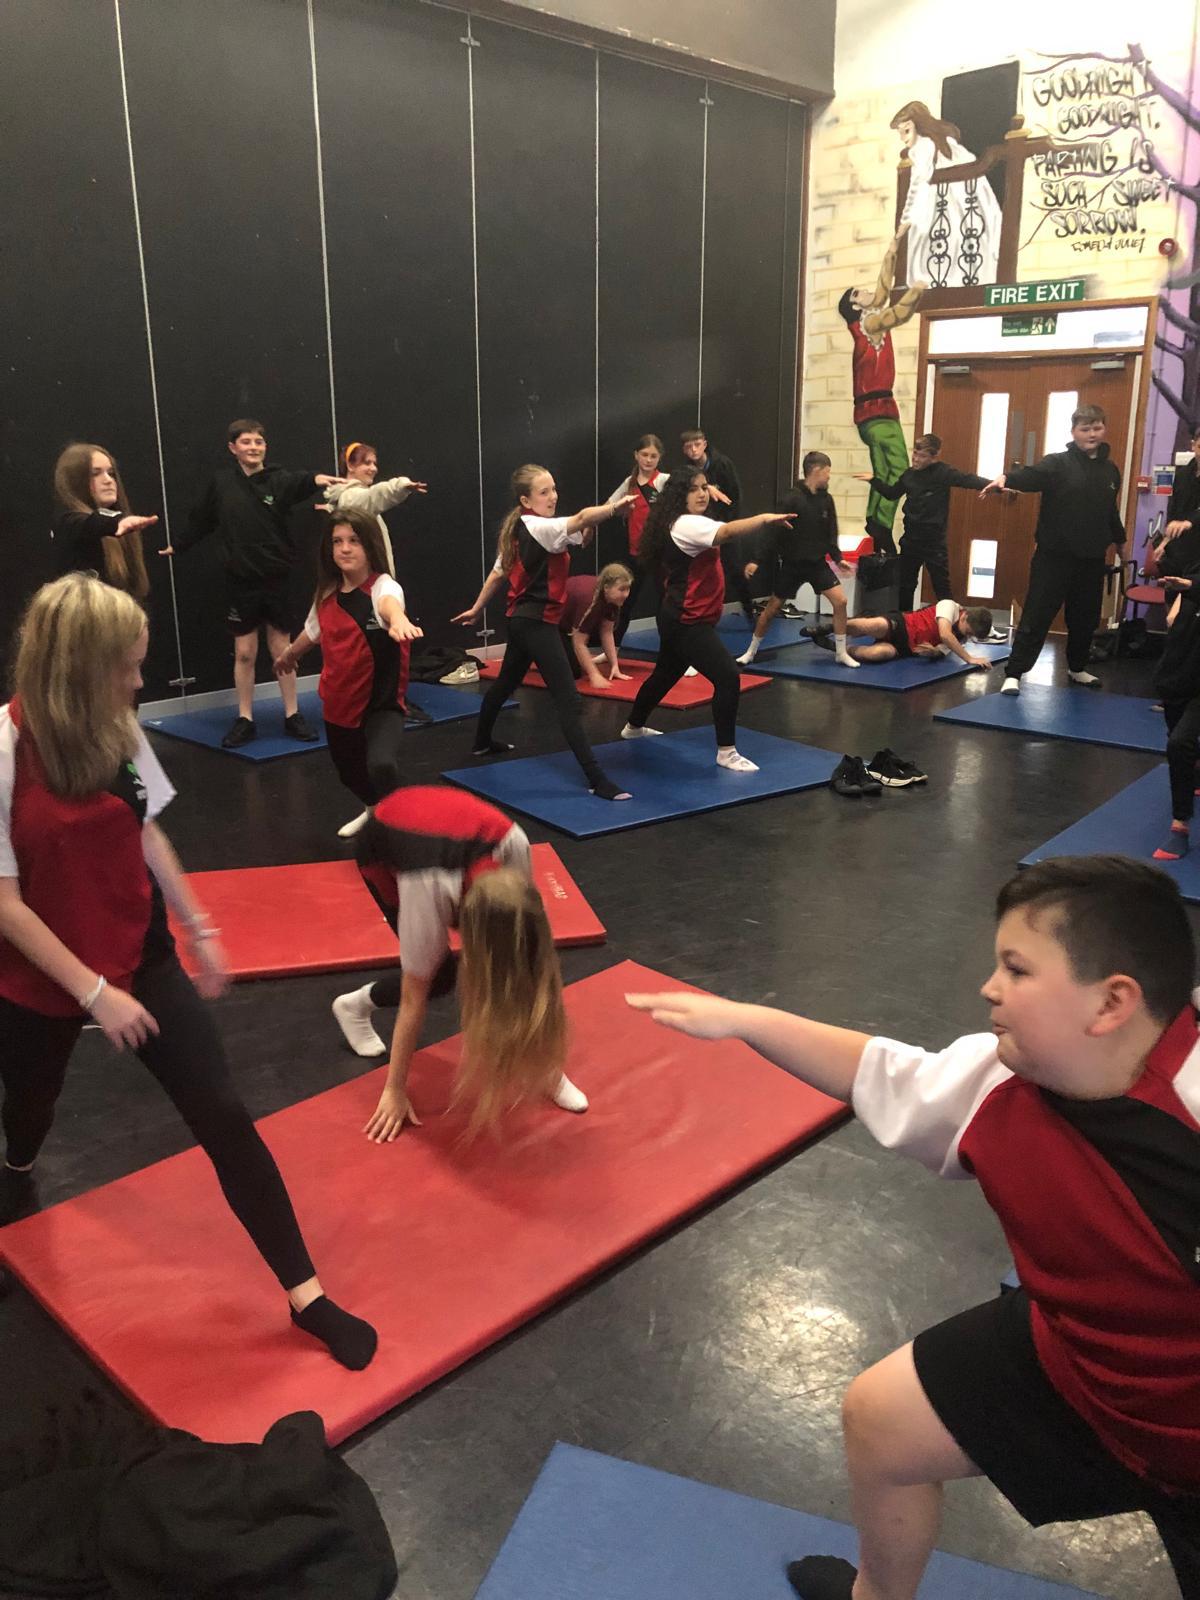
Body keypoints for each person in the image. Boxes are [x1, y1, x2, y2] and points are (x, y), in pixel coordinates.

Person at [627, 855, 1200, 1600]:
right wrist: (749, 1021)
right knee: (882, 1423)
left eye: (1017, 970)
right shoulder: (1002, 1082)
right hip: (1084, 1364)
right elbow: (884, 1073)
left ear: (1112, 1002)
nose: (989, 987)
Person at [0, 574, 375, 1370]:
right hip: (41, 977)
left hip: (139, 953)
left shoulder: (116, 728)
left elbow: (147, 832)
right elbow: (4, 906)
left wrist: (198, 928)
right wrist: (94, 995)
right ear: (80, 669)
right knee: (30, 1107)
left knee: (223, 1113)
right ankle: (17, 1165)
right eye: (128, 667)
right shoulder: (4, 747)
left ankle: (305, 1293)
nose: (140, 682)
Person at [331, 785, 588, 1138]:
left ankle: (546, 1069)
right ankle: (354, 1006)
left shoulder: (514, 846)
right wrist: (394, 1089)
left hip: (447, 834)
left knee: (522, 959)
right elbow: (412, 996)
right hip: (387, 848)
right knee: (436, 977)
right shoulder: (426, 886)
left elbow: (526, 942)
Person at [452, 464, 636, 802]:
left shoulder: (523, 528)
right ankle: (597, 780)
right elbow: (581, 518)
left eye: (553, 489)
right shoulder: (538, 526)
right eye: (544, 492)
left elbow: (498, 573)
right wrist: (613, 509)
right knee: (569, 700)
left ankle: (481, 743)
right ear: (526, 500)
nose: (553, 496)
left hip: (523, 622)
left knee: (505, 684)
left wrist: (477, 608)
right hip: (535, 623)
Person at [171, 419, 344, 748]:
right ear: (233, 448)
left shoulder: (278, 480)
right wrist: (178, 546)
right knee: (245, 653)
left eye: (258, 442)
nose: (253, 447)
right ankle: (245, 719)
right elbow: (202, 520)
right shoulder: (222, 484)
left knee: (283, 650)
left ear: (265, 447)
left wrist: (319, 479)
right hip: (240, 582)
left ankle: (292, 714)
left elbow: (302, 481)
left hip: (277, 579)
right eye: (246, 442)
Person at [619, 468, 793, 772]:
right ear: (679, 496)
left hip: (679, 615)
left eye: (704, 488)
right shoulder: (686, 524)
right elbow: (726, 532)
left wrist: (705, 488)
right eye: (694, 489)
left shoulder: (681, 520)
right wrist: (764, 519)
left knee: (665, 675)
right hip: (687, 620)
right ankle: (727, 752)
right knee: (728, 676)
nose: (702, 494)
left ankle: (633, 727)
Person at [273, 508, 422, 840]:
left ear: (370, 545)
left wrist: (399, 620)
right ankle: (372, 810)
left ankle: (400, 824)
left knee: (381, 764)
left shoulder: (383, 587)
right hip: (339, 703)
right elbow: (313, 631)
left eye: (354, 541)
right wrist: (289, 655)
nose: (344, 548)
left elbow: (389, 605)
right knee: (349, 774)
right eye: (337, 541)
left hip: (381, 705)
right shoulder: (326, 594)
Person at [982, 404, 1127, 696]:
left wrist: (1121, 544)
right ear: (1074, 432)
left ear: (1104, 429)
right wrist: (1006, 479)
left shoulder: (1110, 470)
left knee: (1084, 618)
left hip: (1091, 558)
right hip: (1054, 557)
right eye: (1085, 429)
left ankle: (1077, 668)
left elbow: (1109, 512)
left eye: (1097, 428)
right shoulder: (1058, 464)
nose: (1091, 434)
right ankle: (1014, 673)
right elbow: (1031, 476)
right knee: (1036, 616)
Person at [837, 229, 925, 553]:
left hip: (871, 414)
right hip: (878, 413)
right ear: (854, 305)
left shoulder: (867, 323)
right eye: (859, 293)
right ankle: (882, 523)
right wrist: (918, 289)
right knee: (900, 469)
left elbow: (884, 287)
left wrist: (894, 245)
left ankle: (875, 519)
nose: (868, 292)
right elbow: (900, 312)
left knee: (884, 470)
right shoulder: (869, 325)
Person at [738, 452, 856, 669]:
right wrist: (756, 559)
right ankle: (751, 651)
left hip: (817, 564)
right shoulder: (791, 498)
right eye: (827, 472)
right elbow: (772, 530)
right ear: (816, 470)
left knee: (841, 602)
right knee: (772, 609)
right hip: (793, 565)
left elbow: (831, 532)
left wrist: (838, 558)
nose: (829, 477)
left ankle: (841, 653)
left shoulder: (826, 499)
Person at [853, 433, 992, 609]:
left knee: (942, 588)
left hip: (934, 543)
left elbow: (968, 480)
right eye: (915, 453)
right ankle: (905, 621)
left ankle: (949, 620)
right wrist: (874, 480)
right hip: (911, 540)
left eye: (922, 456)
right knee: (905, 586)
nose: (916, 459)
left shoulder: (943, 473)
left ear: (934, 457)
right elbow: (892, 493)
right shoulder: (909, 475)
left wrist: (996, 485)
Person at [890, 101, 1002, 288]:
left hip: (944, 204)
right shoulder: (946, 142)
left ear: (918, 125)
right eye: (900, 132)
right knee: (963, 243)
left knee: (933, 248)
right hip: (969, 203)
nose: (903, 138)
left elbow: (918, 182)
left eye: (906, 131)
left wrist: (906, 220)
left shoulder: (922, 146)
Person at [51, 443, 157, 598]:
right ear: (76, 481)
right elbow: (89, 523)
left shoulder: (118, 529)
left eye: (111, 473)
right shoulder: (69, 523)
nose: (108, 480)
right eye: (95, 474)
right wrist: (117, 522)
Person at [1148, 570, 1200, 862]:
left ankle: (1180, 826)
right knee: (1178, 737)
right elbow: (1172, 618)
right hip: (1180, 669)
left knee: (1179, 743)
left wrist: (1191, 586)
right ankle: (1195, 772)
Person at [680, 428, 755, 625]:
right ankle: (701, 614)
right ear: (684, 450)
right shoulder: (686, 471)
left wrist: (728, 526)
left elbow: (735, 496)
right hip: (700, 529)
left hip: (724, 526)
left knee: (734, 569)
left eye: (697, 445)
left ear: (705, 444)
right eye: (689, 446)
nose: (694, 450)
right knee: (703, 572)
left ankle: (750, 611)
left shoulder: (722, 464)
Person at [322, 441, 428, 578]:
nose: (373, 468)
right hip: (367, 582)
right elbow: (374, 495)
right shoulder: (350, 496)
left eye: (374, 463)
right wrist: (399, 486)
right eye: (367, 463)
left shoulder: (346, 497)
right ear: (350, 465)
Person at [807, 598, 994, 667]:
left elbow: (942, 650)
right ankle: (830, 627)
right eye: (968, 631)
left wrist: (933, 652)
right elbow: (945, 635)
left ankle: (837, 648)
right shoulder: (950, 606)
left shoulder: (960, 638)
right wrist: (969, 658)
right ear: (964, 616)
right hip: (903, 625)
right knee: (875, 625)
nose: (967, 636)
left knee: (877, 654)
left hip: (905, 647)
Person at [606, 435, 668, 644]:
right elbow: (608, 506)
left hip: (660, 554)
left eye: (653, 456)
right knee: (625, 602)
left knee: (666, 605)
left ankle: (672, 653)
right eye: (644, 455)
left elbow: (690, 484)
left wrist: (708, 487)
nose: (648, 460)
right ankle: (612, 648)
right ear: (636, 455)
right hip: (636, 554)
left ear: (659, 458)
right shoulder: (629, 483)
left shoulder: (663, 481)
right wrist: (588, 525)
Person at [560, 565, 634, 688]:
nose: (626, 594)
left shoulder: (614, 600)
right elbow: (578, 642)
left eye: (628, 589)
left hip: (570, 624)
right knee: (573, 672)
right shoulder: (589, 601)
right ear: (606, 588)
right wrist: (594, 675)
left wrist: (615, 666)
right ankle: (539, 649)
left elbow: (607, 632)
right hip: (552, 623)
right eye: (622, 590)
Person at [1147, 424, 1200, 581]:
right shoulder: (1182, 475)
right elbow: (1173, 514)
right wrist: (1165, 542)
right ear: (1193, 446)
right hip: (1180, 551)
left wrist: (1190, 522)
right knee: (1171, 590)